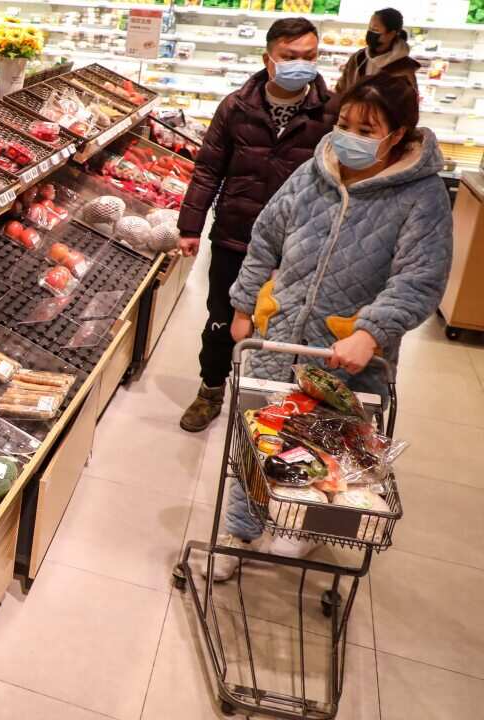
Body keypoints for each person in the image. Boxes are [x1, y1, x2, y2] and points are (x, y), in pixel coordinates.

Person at [208, 73, 453, 580]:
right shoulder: (315, 170)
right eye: (344, 123)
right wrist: (243, 304)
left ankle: (303, 530)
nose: (349, 137)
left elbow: (420, 278)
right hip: (278, 334)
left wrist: (369, 332)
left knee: (326, 446)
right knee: (257, 435)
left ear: (401, 134)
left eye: (366, 129)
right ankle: (240, 529)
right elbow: (266, 238)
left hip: (343, 354)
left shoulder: (422, 197)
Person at [176, 17, 337, 433]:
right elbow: (208, 168)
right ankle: (210, 390)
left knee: (289, 327)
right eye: (290, 57)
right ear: (269, 60)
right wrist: (191, 226)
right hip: (236, 235)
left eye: (309, 57)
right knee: (220, 320)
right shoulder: (236, 107)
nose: (301, 64)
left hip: (300, 244)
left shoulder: (332, 113)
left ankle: (278, 403)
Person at [335, 8, 420, 96]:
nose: (370, 33)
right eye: (369, 28)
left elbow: (408, 102)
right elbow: (341, 89)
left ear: (391, 34)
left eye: (375, 30)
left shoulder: (403, 67)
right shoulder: (358, 57)